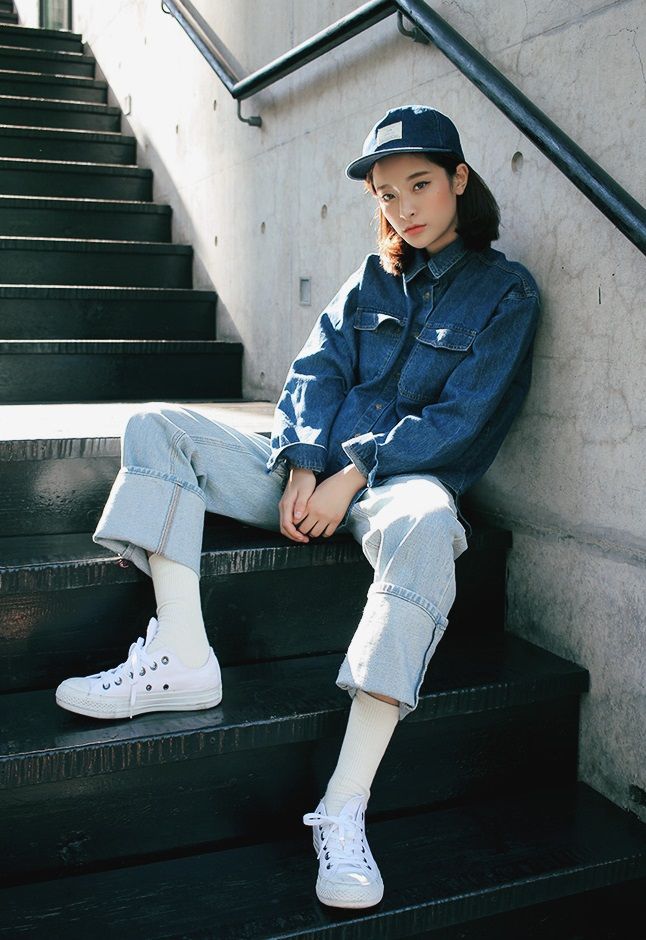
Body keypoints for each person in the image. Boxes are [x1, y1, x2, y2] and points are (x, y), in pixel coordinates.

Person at [55, 105, 540, 911]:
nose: (403, 208)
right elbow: (314, 373)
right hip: (317, 478)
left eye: (419, 185)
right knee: (155, 426)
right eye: (386, 195)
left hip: (399, 485)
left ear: (460, 180)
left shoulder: (505, 292)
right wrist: (300, 463)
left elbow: (465, 419)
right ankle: (181, 656)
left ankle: (344, 806)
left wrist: (351, 473)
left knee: (426, 526)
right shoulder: (370, 276)